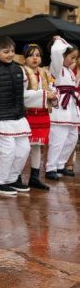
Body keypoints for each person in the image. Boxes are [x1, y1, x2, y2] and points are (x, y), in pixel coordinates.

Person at [0, 37, 32, 196]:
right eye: (5, 51)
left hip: (17, 116)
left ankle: (12, 178)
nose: (10, 54)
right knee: (8, 149)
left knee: (24, 148)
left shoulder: (19, 69)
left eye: (12, 51)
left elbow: (24, 92)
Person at [45, 36, 79, 180]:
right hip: (60, 109)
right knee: (58, 139)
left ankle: (60, 164)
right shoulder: (56, 67)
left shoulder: (70, 71)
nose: (73, 61)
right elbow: (56, 52)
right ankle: (50, 167)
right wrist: (59, 41)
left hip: (71, 109)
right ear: (63, 56)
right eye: (71, 57)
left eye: (75, 58)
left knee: (72, 138)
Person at [22, 44, 56, 189]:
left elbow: (52, 88)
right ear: (25, 58)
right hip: (28, 114)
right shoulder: (22, 72)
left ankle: (34, 177)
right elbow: (22, 95)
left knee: (37, 146)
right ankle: (16, 176)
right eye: (31, 55)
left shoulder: (45, 73)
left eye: (38, 55)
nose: (35, 58)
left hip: (42, 114)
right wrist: (43, 95)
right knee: (24, 147)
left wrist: (53, 95)